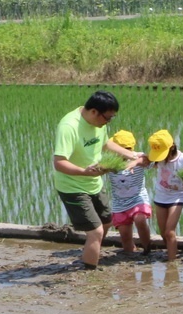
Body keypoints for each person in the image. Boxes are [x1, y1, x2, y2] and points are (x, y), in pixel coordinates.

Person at [52, 90, 140, 270]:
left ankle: (90, 252)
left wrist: (132, 155)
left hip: (94, 183)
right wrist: (84, 172)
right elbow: (59, 163)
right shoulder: (69, 126)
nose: (108, 122)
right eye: (107, 118)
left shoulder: (98, 124)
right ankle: (89, 272)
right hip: (72, 186)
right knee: (96, 231)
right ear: (93, 112)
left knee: (107, 221)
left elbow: (106, 143)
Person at [147, 130, 183, 265]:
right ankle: (172, 251)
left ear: (171, 148)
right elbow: (142, 160)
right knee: (163, 233)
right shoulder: (158, 160)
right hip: (160, 196)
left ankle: (171, 263)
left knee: (169, 231)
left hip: (176, 197)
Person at [105, 130, 151, 256]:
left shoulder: (138, 157)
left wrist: (134, 162)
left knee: (140, 219)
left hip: (138, 199)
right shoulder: (110, 161)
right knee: (125, 236)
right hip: (119, 203)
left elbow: (146, 161)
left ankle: (147, 249)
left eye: (127, 148)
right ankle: (130, 253)